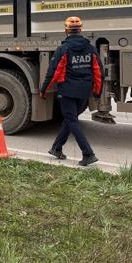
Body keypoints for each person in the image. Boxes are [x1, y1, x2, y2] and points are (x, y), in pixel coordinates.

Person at [40, 16, 103, 166]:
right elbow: (99, 72)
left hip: (67, 92)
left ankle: (88, 154)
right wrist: (97, 92)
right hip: (84, 92)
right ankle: (56, 148)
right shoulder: (90, 48)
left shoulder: (63, 49)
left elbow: (53, 72)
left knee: (72, 120)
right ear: (80, 30)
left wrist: (44, 90)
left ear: (66, 30)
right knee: (71, 119)